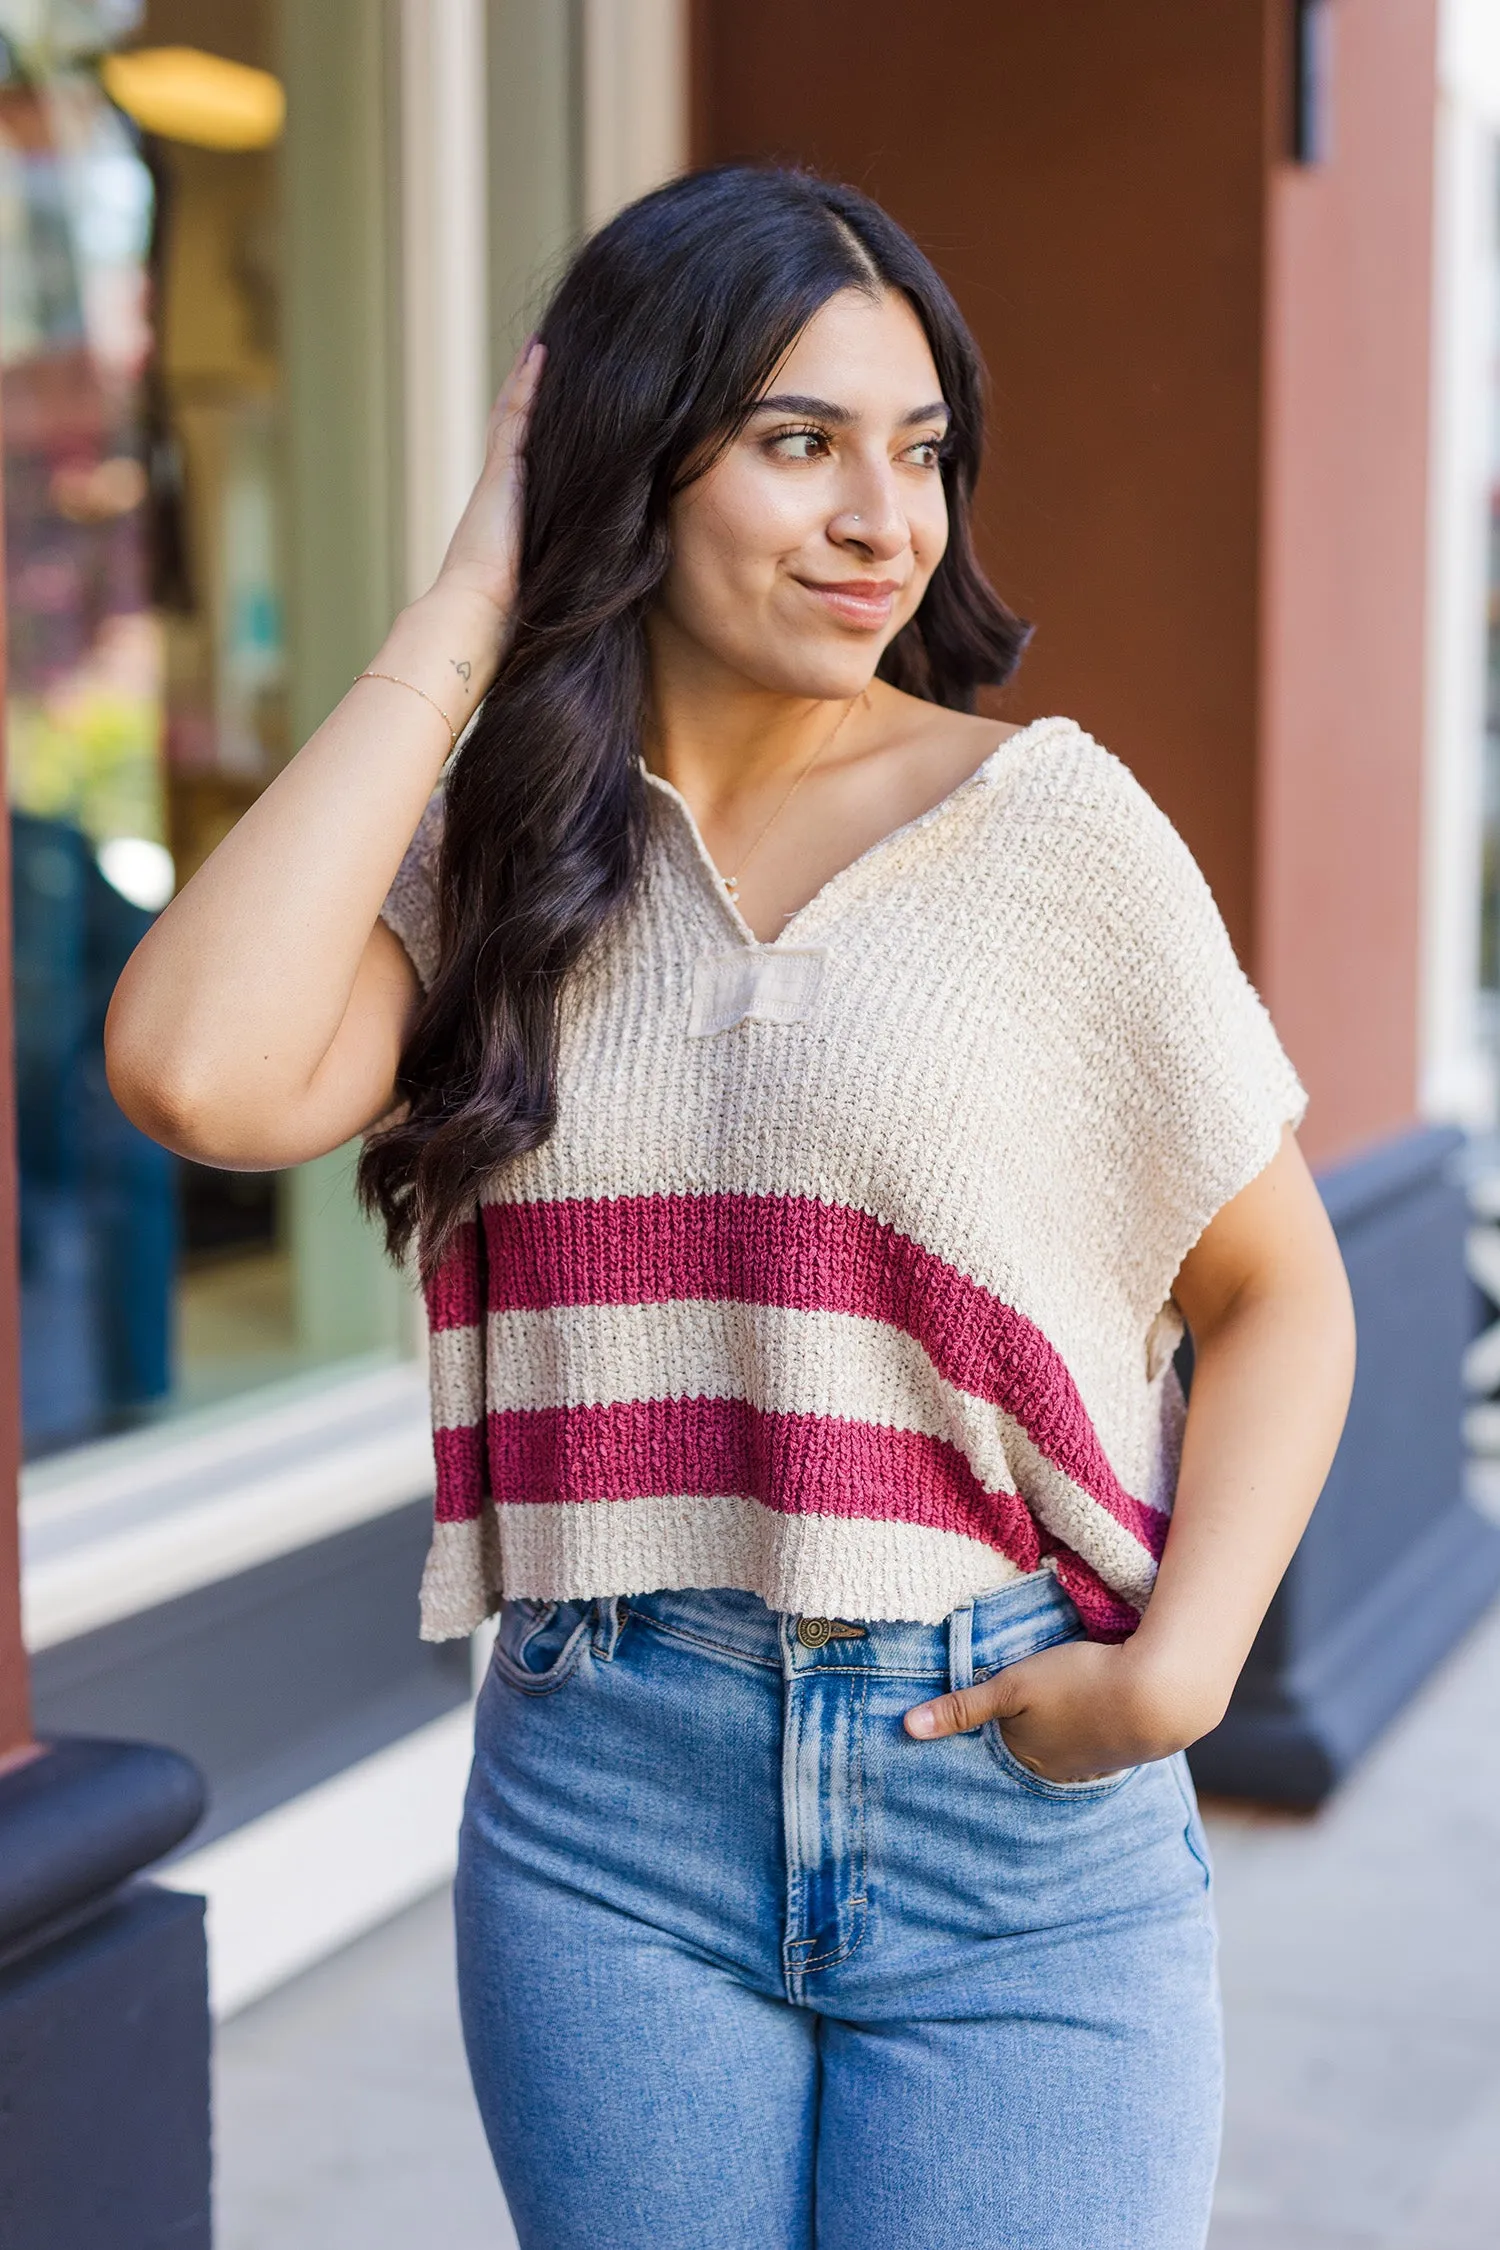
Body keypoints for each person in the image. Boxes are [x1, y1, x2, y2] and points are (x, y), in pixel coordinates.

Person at [105, 166, 1355, 2250]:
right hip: (610, 1806)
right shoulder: (511, 850)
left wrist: (1182, 1674)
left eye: (922, 449)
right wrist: (460, 614)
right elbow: (196, 1071)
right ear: (632, 463)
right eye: (801, 445)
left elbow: (1282, 1293)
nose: (888, 522)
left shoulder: (1045, 828)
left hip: (1006, 1800)